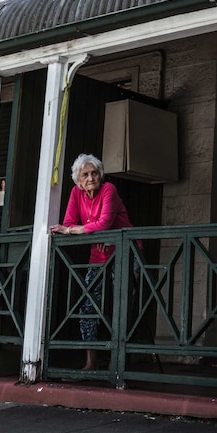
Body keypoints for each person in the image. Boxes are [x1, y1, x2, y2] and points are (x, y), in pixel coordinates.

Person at [50, 153, 139, 371]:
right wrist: (95, 234)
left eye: (94, 173)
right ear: (78, 180)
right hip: (98, 257)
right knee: (88, 306)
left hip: (124, 252)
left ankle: (118, 362)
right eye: (85, 175)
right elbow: (70, 221)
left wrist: (85, 231)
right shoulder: (75, 193)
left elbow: (104, 223)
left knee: (122, 306)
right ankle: (90, 362)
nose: (91, 177)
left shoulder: (109, 190)